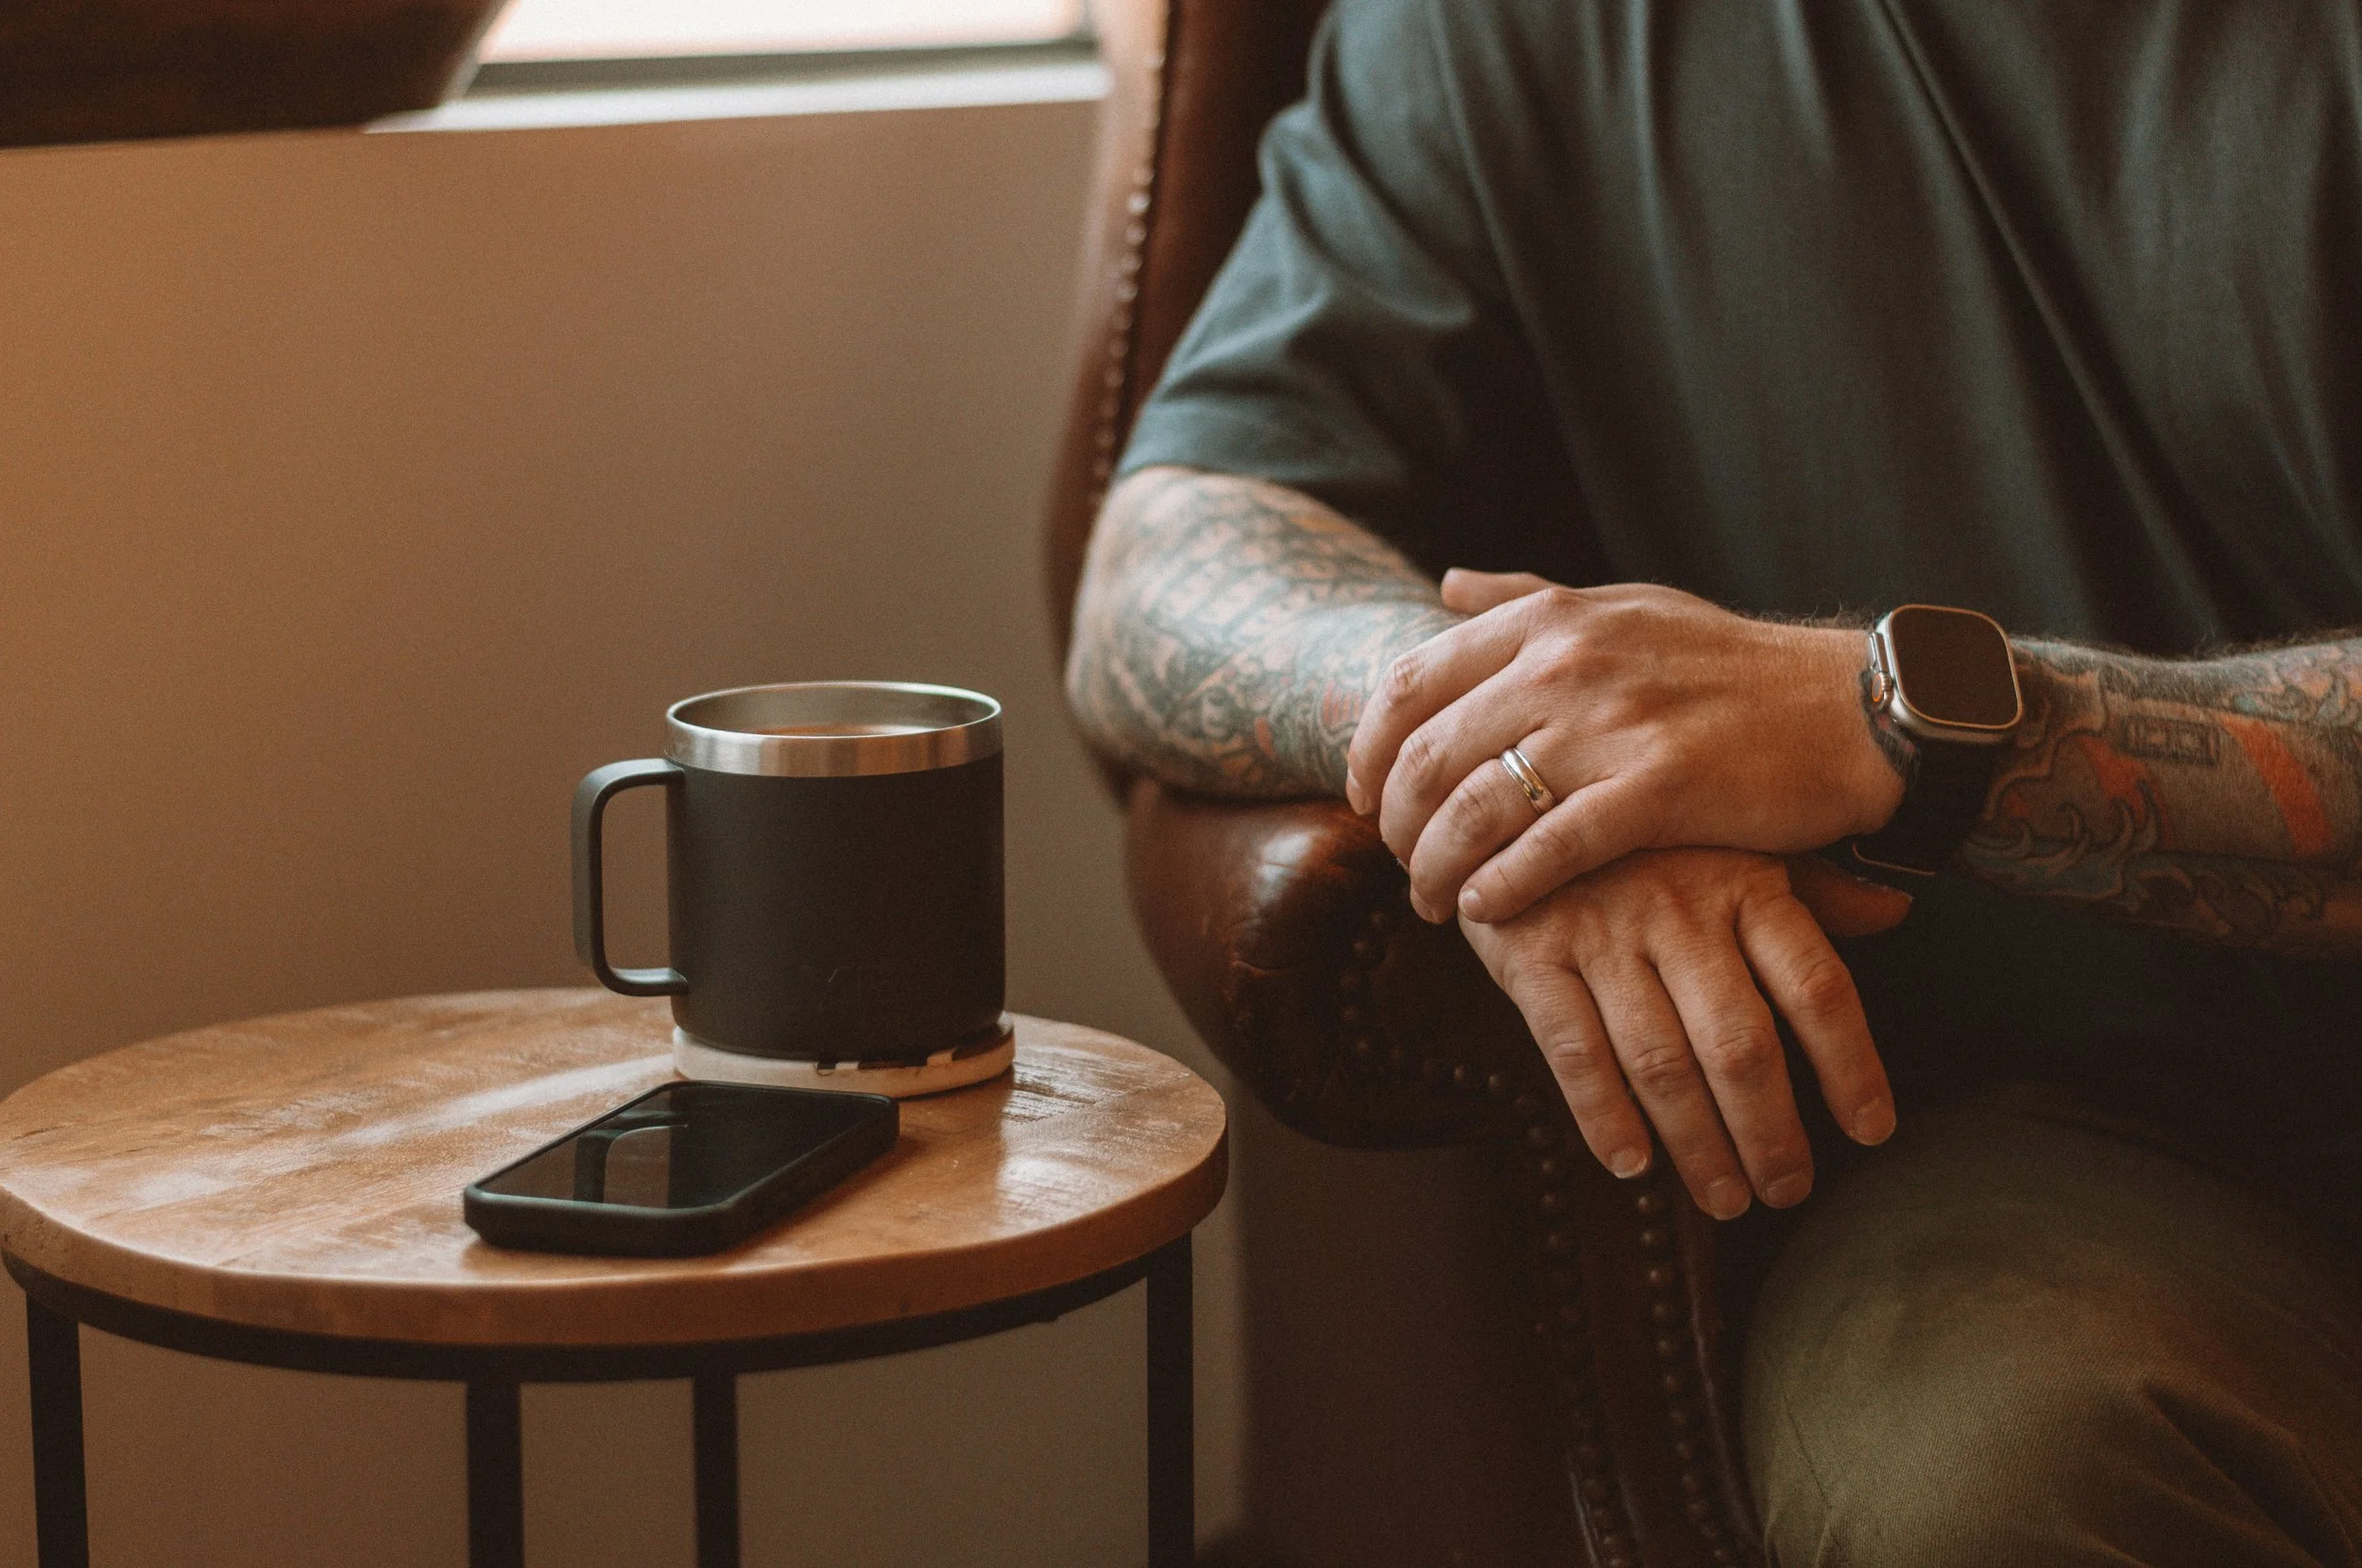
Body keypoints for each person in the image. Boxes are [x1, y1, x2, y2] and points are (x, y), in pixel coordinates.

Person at [1062, 1, 2362, 1563]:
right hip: (2065, 1159)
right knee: (1990, 1482)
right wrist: (1533, 742)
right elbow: (1166, 552)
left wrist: (1888, 729)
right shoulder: (1492, 33)